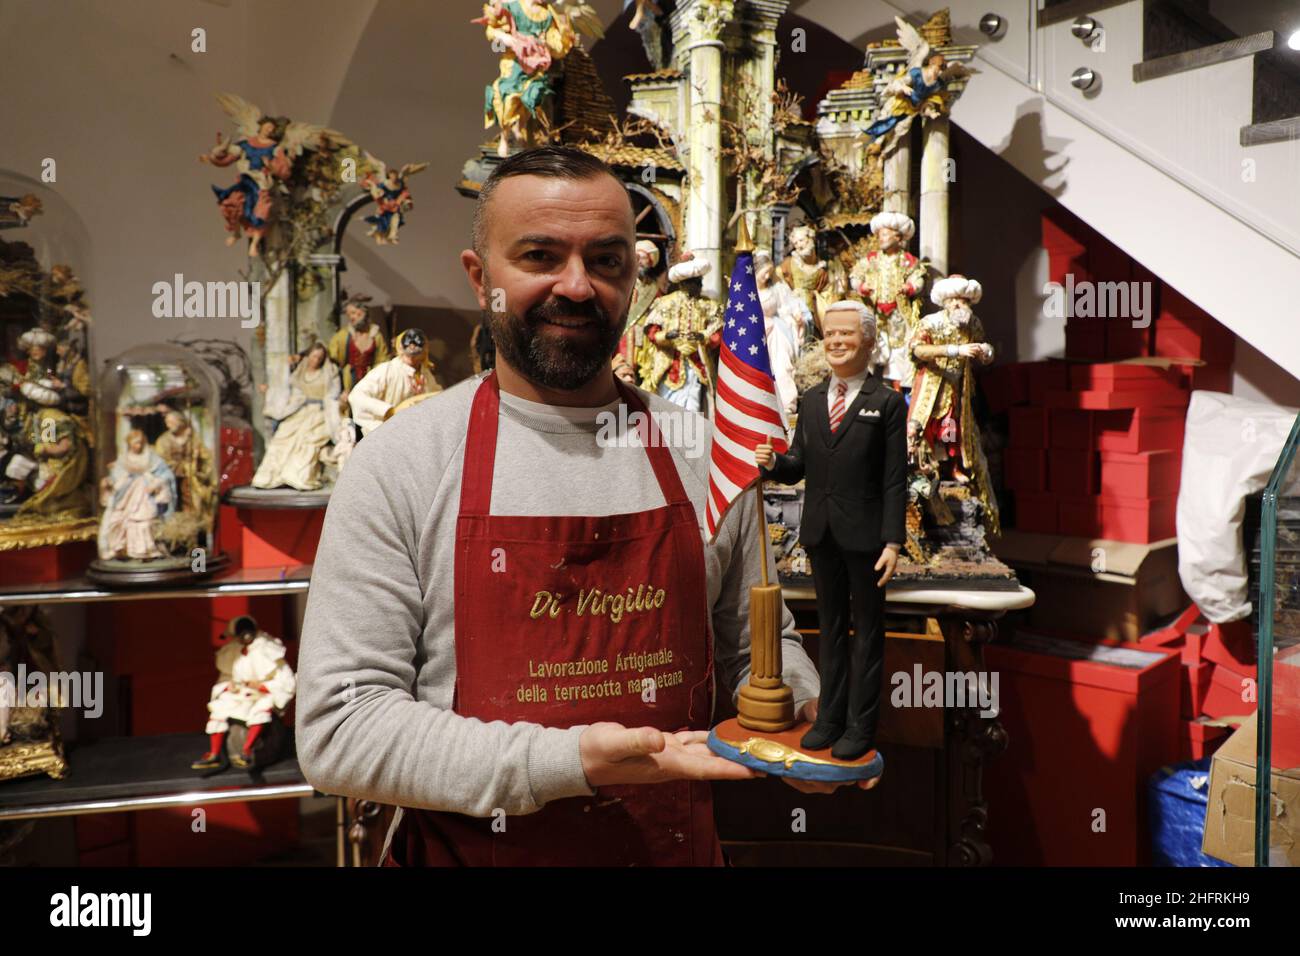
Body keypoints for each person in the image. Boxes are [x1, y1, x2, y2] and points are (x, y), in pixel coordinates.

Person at [297, 146, 863, 869]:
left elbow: (753, 647)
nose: (577, 286)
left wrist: (802, 712)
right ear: (480, 279)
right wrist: (568, 761)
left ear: (636, 276)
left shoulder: (704, 453)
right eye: (539, 255)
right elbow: (342, 729)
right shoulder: (400, 465)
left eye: (606, 260)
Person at [755, 301, 907, 761]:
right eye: (830, 335)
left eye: (847, 334)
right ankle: (829, 718)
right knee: (832, 630)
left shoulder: (886, 402)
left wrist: (894, 541)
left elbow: (894, 478)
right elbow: (799, 461)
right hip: (821, 533)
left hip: (866, 539)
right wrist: (776, 463)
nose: (837, 342)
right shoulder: (815, 398)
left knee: (868, 634)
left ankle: (861, 725)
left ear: (869, 341)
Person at [192, 615, 296, 774]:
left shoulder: (267, 649)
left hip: (262, 695)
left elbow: (287, 682)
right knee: (220, 707)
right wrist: (229, 686)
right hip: (241, 695)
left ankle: (247, 750)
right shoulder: (233, 652)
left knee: (262, 709)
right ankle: (214, 754)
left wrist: (262, 686)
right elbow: (226, 677)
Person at [251, 342, 342, 492]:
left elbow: (333, 394)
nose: (316, 360)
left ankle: (295, 476)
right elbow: (287, 391)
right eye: (313, 357)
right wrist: (270, 391)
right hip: (301, 411)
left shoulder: (328, 372)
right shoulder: (300, 372)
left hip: (319, 413)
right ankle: (271, 477)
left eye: (319, 358)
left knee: (306, 441)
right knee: (284, 437)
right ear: (308, 356)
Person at [346, 328, 442, 437]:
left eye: (416, 354)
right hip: (390, 433)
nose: (412, 358)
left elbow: (437, 396)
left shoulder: (425, 374)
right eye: (409, 354)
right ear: (400, 349)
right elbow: (357, 396)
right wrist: (389, 410)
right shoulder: (387, 370)